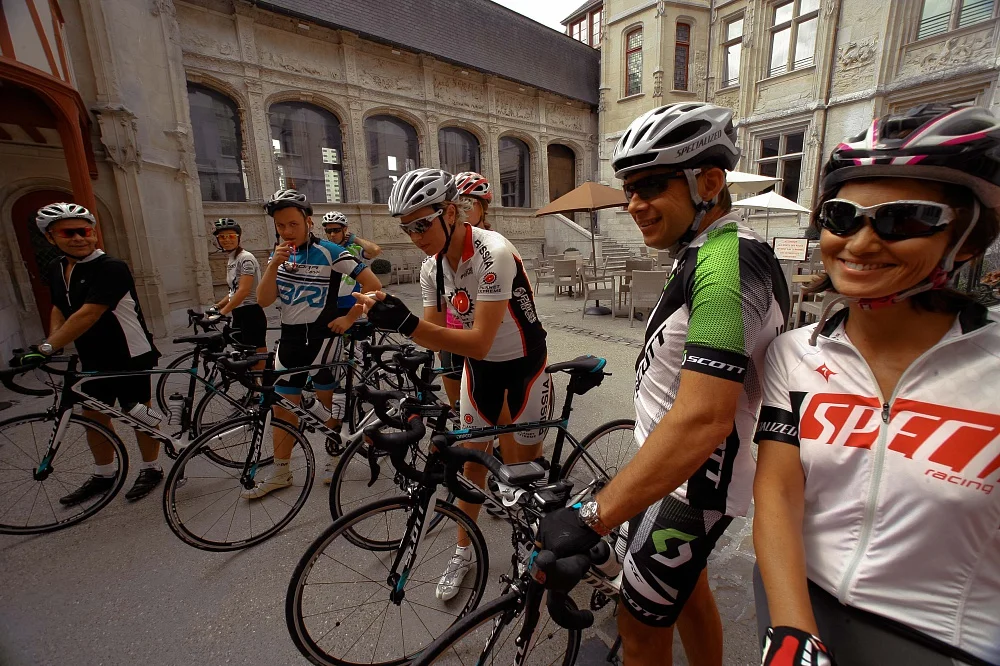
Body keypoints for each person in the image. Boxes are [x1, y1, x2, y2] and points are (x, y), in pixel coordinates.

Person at [534, 103, 789, 666]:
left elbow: (703, 418)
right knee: (688, 595)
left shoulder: (726, 263)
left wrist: (591, 516)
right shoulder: (703, 252)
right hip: (679, 471)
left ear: (710, 183)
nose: (633, 204)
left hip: (694, 487)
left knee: (638, 623)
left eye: (651, 186)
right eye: (629, 189)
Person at [752, 104, 1000, 666]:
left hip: (941, 640)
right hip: (797, 604)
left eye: (903, 220)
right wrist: (791, 632)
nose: (860, 244)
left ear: (965, 241)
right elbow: (779, 492)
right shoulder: (794, 353)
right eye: (842, 217)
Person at [357, 167, 552, 602]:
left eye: (421, 225)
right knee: (471, 467)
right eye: (406, 228)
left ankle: (532, 547)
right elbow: (431, 334)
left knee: (521, 476)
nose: (415, 236)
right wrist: (394, 318)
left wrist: (406, 324)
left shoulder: (493, 252)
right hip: (479, 371)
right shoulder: (432, 267)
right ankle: (463, 552)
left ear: (449, 212)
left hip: (523, 367)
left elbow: (478, 340)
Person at [10, 203, 164, 502]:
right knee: (93, 415)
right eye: (69, 233)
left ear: (94, 233)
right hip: (92, 355)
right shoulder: (57, 268)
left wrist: (45, 348)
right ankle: (104, 474)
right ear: (51, 237)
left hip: (129, 353)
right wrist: (53, 342)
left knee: (139, 413)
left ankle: (152, 467)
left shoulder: (111, 267)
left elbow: (89, 313)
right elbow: (59, 307)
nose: (79, 238)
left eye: (85, 231)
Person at [250, 189, 381, 498]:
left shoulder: (330, 251)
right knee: (283, 408)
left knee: (327, 404)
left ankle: (334, 457)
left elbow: (373, 285)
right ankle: (281, 472)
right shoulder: (281, 256)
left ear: (309, 222)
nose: (287, 231)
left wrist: (350, 317)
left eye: (293, 224)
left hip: (324, 338)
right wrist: (272, 265)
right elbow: (263, 300)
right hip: (290, 339)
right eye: (280, 225)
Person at [320, 210, 381, 459]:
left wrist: (353, 238)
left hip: (354, 306)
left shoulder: (354, 248)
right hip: (333, 308)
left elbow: (375, 250)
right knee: (336, 357)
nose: (332, 234)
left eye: (336, 230)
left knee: (356, 354)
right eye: (328, 231)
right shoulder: (326, 251)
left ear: (344, 230)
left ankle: (359, 388)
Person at [439, 171, 494, 412]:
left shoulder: (495, 246)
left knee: (489, 411)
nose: (463, 211)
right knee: (457, 411)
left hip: (488, 338)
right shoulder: (443, 247)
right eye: (458, 205)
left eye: (469, 204)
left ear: (483, 208)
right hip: (453, 335)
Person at [210, 218, 267, 363]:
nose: (226, 240)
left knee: (256, 358)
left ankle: (264, 377)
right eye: (222, 237)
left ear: (238, 237)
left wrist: (222, 312)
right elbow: (233, 291)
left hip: (251, 313)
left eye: (231, 236)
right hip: (239, 312)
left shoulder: (245, 258)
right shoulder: (233, 259)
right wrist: (217, 307)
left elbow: (243, 291)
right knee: (243, 357)